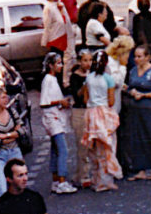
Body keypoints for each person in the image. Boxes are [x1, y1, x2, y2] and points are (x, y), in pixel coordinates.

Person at [122, 44, 151, 180]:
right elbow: (130, 86)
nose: (136, 59)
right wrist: (130, 91)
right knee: (137, 138)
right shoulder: (133, 71)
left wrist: (144, 95)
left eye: (140, 56)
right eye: (135, 56)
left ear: (148, 57)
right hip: (135, 109)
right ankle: (139, 168)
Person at [82, 50, 122, 192]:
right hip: (104, 113)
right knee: (108, 147)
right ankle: (106, 180)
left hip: (91, 113)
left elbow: (85, 99)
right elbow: (111, 101)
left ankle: (96, 180)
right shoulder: (108, 79)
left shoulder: (89, 78)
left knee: (94, 149)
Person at [40, 52, 78, 193]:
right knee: (62, 150)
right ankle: (62, 181)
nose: (61, 66)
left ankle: (56, 180)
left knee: (56, 150)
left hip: (55, 117)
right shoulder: (49, 80)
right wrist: (60, 102)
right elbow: (44, 103)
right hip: (52, 119)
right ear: (51, 65)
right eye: (58, 63)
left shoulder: (52, 80)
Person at [69, 48, 94, 187]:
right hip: (80, 111)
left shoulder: (93, 74)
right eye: (85, 60)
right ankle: (83, 175)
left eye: (90, 60)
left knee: (92, 144)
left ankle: (82, 173)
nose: (88, 63)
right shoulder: (75, 77)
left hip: (92, 110)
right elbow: (77, 95)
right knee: (82, 144)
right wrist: (86, 84)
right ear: (79, 62)